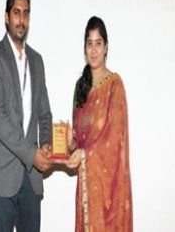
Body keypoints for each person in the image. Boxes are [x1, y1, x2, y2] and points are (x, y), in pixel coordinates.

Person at [0, 0, 52, 232]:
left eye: (25, 13)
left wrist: (45, 145)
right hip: (4, 178)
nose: (21, 19)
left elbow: (44, 113)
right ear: (6, 16)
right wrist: (31, 153)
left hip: (32, 180)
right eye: (16, 12)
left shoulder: (37, 61)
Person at [65, 16, 132, 231]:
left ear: (106, 48)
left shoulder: (114, 85)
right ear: (84, 48)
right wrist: (71, 142)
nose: (93, 50)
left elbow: (114, 137)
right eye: (89, 43)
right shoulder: (80, 87)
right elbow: (79, 142)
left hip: (109, 190)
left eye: (98, 43)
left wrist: (84, 155)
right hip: (86, 188)